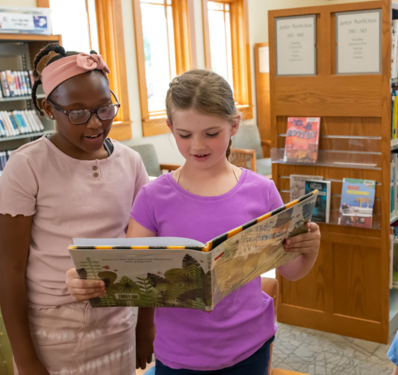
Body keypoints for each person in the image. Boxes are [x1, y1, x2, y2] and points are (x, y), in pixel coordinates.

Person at [65, 69, 322, 374]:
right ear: (170, 128)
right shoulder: (152, 197)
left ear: (234, 126)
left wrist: (310, 248)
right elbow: (127, 275)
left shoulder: (262, 191)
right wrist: (84, 279)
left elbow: (291, 271)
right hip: (179, 353)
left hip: (250, 344)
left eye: (211, 134)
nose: (197, 146)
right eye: (184, 135)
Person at [0, 44, 150, 375]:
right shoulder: (27, 166)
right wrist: (25, 358)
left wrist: (144, 326)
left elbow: (145, 250)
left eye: (105, 109)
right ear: (49, 109)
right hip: (52, 328)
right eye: (77, 113)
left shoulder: (131, 162)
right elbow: (9, 271)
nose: (95, 124)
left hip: (117, 318)